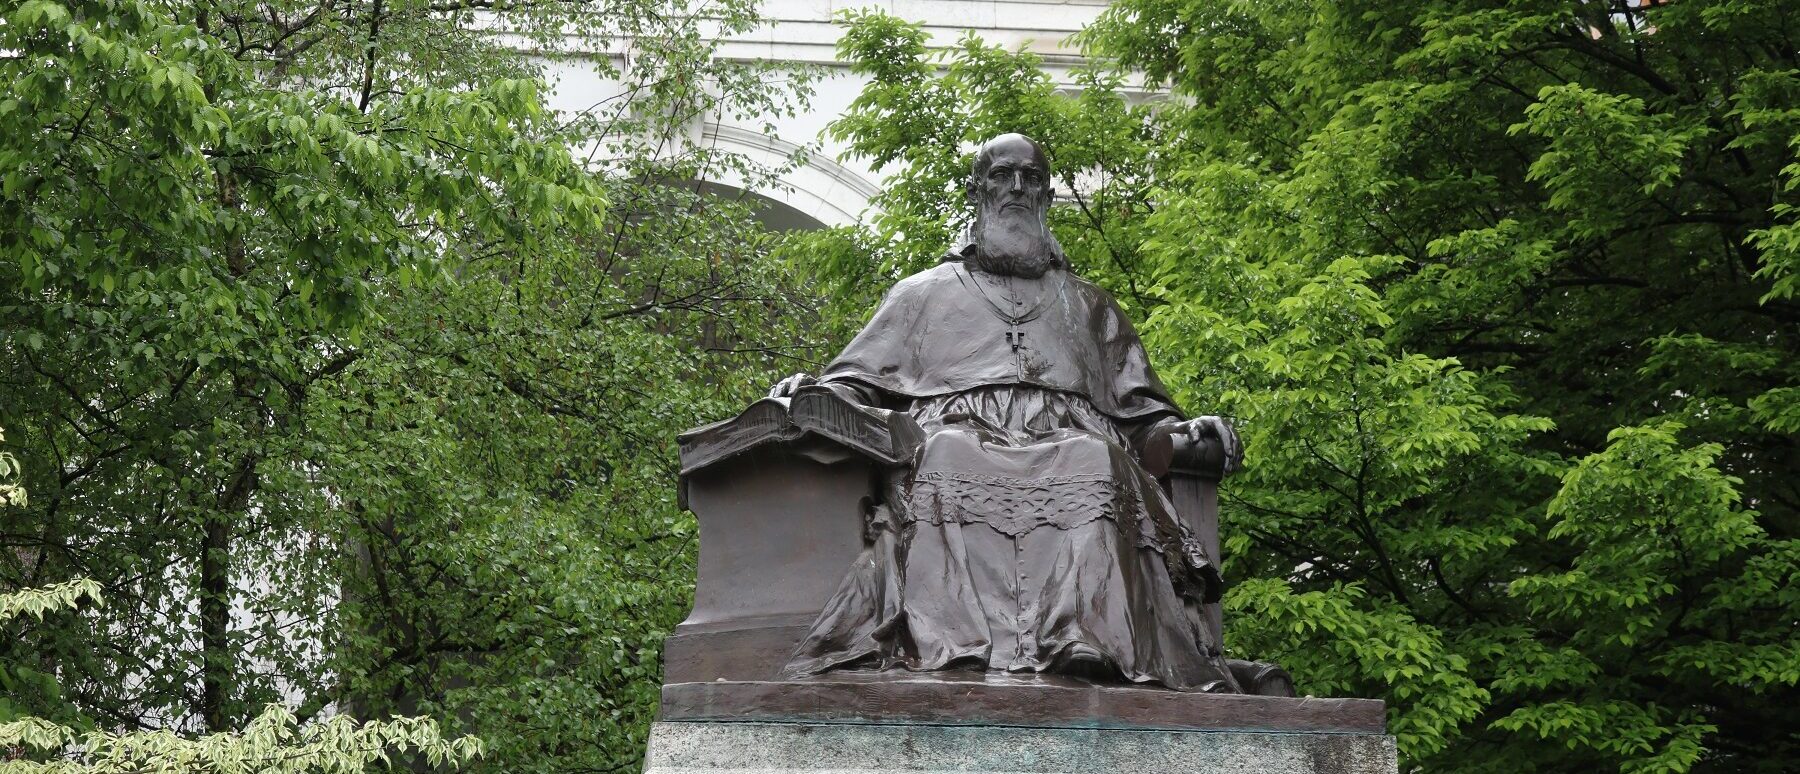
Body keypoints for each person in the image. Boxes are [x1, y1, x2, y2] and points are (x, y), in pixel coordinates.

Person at [770, 134, 1244, 691]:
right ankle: (947, 643)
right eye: (1002, 175)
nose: (1017, 188)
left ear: (1046, 197)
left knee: (1095, 458)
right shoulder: (920, 294)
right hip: (954, 438)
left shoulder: (1092, 305)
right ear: (977, 190)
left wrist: (1182, 431)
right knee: (946, 451)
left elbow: (1141, 418)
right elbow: (857, 383)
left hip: (1072, 446)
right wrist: (812, 391)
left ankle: (1089, 639)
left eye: (1032, 178)